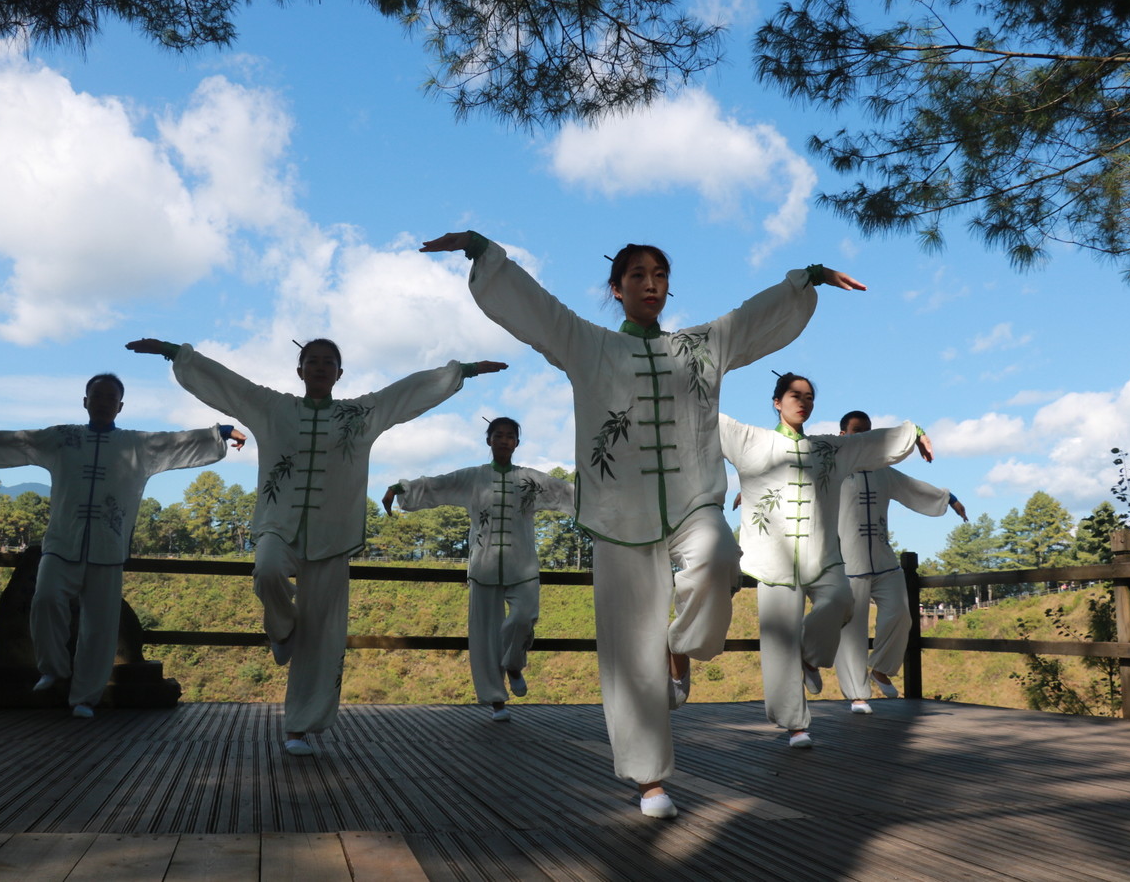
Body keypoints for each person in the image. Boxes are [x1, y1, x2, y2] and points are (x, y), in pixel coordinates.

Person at [421, 230, 864, 819]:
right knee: (628, 651)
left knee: (718, 559)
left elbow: (751, 318)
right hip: (617, 514)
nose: (650, 283)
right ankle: (649, 779)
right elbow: (537, 308)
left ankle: (680, 647)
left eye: (659, 274)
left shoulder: (700, 346)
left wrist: (804, 279)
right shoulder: (588, 344)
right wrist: (485, 253)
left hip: (692, 502)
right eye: (637, 275)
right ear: (617, 288)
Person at [127, 336, 506, 756]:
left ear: (340, 373)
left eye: (329, 362)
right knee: (268, 571)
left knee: (323, 633)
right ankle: (282, 627)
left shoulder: (359, 413)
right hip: (278, 523)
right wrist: (174, 352)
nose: (321, 367)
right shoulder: (274, 408)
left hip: (334, 533)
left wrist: (461, 371)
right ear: (300, 369)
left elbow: (406, 392)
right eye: (313, 361)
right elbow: (228, 383)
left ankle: (298, 727)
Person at [0, 373, 246, 718]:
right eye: (97, 396)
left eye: (110, 398)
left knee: (101, 626)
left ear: (120, 406)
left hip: (108, 546)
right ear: (85, 401)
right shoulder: (63, 437)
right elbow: (20, 440)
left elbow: (175, 442)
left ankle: (84, 698)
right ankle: (53, 668)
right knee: (44, 600)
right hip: (61, 541)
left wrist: (220, 432)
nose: (103, 402)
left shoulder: (136, 444)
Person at [720, 374, 932, 749]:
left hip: (824, 556)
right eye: (794, 395)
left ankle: (810, 656)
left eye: (809, 397)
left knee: (840, 600)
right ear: (776, 402)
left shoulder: (828, 449)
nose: (803, 402)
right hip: (774, 559)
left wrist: (913, 431)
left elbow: (871, 442)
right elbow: (706, 419)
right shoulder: (752, 440)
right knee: (778, 641)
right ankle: (795, 724)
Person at [382, 416, 575, 721]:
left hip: (522, 564)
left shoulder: (530, 480)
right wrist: (399, 488)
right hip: (483, 566)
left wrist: (603, 498)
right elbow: (437, 484)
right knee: (484, 636)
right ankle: (497, 700)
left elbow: (566, 491)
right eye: (498, 435)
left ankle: (513, 663)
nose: (504, 440)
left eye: (510, 436)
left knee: (525, 616)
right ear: (489, 440)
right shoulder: (473, 477)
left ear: (517, 443)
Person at [834, 410, 967, 713]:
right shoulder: (832, 469)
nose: (864, 436)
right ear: (843, 435)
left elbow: (912, 488)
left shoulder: (883, 470)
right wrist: (752, 493)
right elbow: (793, 482)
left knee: (900, 614)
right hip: (848, 565)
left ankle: (880, 668)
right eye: (857, 431)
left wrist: (950, 499)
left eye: (868, 431)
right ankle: (856, 695)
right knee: (851, 632)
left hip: (884, 560)